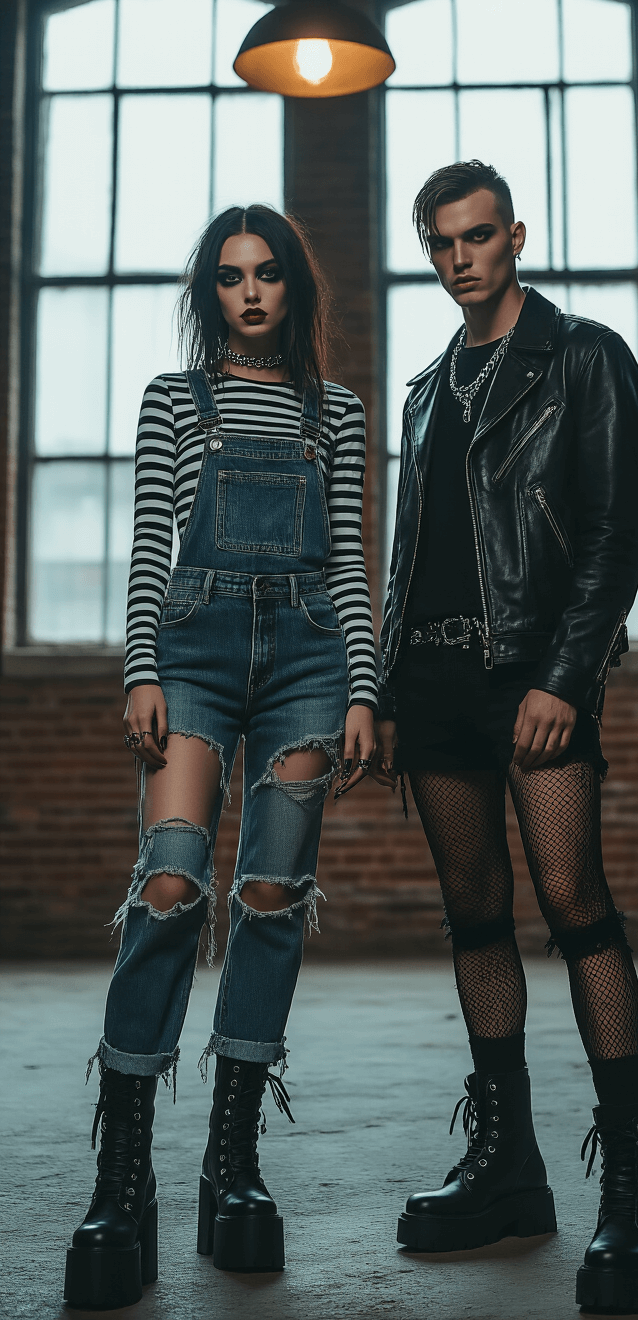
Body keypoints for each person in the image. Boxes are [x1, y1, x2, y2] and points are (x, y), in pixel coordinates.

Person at [374, 161, 638, 1313]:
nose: (459, 257)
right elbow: (411, 556)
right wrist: (393, 687)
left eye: (477, 237)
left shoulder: (585, 356)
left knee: (575, 904)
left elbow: (614, 535)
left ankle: (634, 1191)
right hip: (437, 682)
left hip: (530, 680)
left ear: (513, 237)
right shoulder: (422, 391)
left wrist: (565, 675)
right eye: (440, 241)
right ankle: (509, 1166)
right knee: (475, 916)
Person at [64, 205, 377, 1310]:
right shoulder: (171, 401)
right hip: (191, 652)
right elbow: (152, 543)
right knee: (169, 884)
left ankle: (230, 1166)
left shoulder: (333, 413)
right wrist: (139, 668)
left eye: (270, 276)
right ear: (210, 293)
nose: (250, 294)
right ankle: (123, 1182)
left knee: (272, 895)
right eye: (231, 277)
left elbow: (346, 564)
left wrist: (361, 686)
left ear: (294, 289)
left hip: (303, 662)